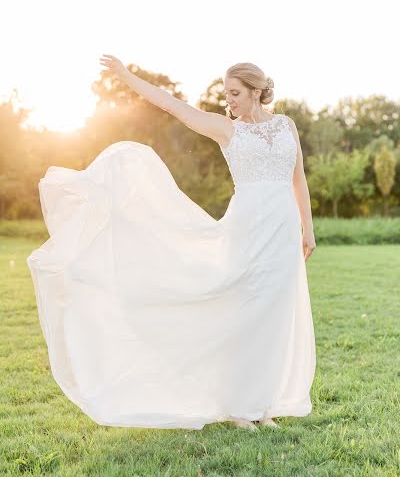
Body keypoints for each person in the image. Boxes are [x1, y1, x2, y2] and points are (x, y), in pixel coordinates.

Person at [27, 55, 316, 432]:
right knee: (245, 311)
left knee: (274, 316)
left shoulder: (286, 125)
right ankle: (240, 407)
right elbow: (171, 105)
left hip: (281, 227)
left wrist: (306, 228)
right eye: (227, 93)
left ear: (257, 91)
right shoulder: (227, 129)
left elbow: (299, 180)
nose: (229, 101)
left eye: (235, 93)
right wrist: (128, 76)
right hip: (246, 229)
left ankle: (261, 405)